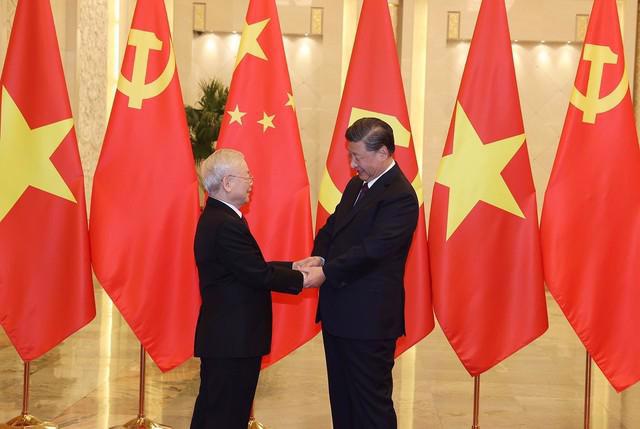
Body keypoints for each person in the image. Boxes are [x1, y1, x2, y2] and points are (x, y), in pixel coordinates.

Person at [295, 117, 419, 428]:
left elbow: (373, 250)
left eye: (358, 156)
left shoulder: (401, 196)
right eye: (350, 155)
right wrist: (319, 257)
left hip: (369, 320)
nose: (352, 164)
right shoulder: (356, 186)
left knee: (370, 405)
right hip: (340, 313)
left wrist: (328, 272)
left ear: (383, 153)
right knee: (343, 400)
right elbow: (332, 227)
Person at [191, 148, 319, 429]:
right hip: (231, 340)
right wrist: (306, 279)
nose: (251, 181)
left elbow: (245, 266)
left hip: (230, 339)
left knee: (218, 412)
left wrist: (294, 266)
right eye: (247, 176)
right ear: (227, 183)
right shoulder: (223, 223)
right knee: (223, 416)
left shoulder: (221, 217)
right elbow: (257, 273)